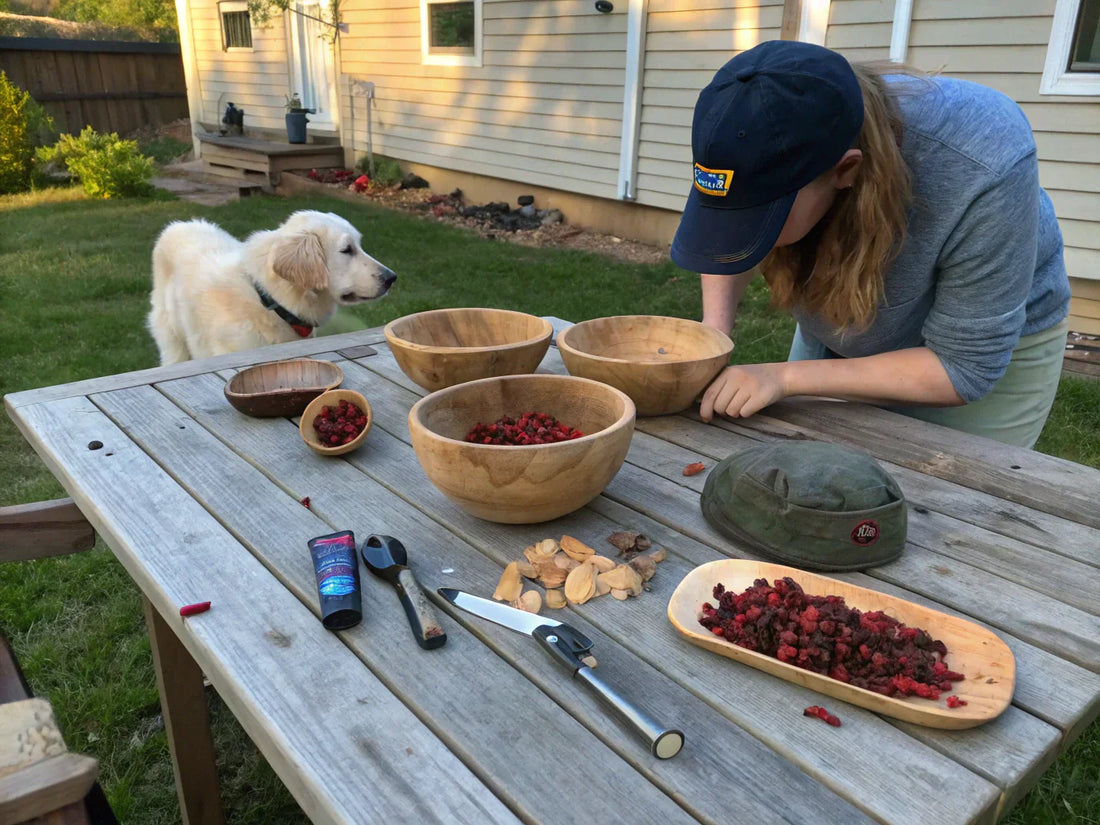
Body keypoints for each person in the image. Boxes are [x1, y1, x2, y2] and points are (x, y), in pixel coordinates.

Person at [670, 40, 1071, 448]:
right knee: (798, 469)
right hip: (848, 311)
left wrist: (784, 378)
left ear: (847, 169)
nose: (741, 229)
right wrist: (714, 333)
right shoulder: (760, 133)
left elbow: (963, 368)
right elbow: (728, 233)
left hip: (972, 349)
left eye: (759, 217)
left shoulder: (986, 161)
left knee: (949, 494)